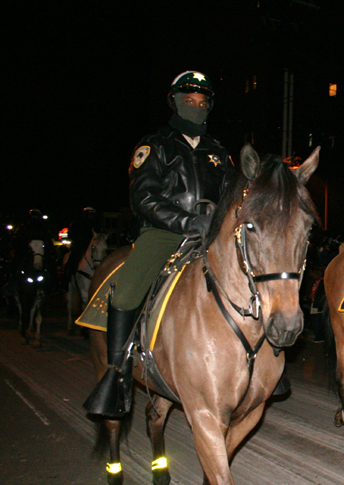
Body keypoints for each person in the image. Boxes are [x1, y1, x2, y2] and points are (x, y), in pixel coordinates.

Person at [84, 71, 234, 417]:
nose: (195, 107)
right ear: (175, 103)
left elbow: (229, 195)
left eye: (201, 103)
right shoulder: (155, 144)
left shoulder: (219, 152)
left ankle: (267, 366)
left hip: (211, 233)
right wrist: (184, 221)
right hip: (164, 232)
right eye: (189, 101)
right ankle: (116, 374)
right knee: (125, 293)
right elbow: (144, 196)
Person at [62, 207, 101, 288]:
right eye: (90, 214)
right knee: (70, 261)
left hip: (92, 248)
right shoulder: (76, 224)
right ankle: (65, 283)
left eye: (93, 215)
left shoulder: (96, 226)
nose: (91, 217)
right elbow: (71, 235)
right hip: (79, 247)